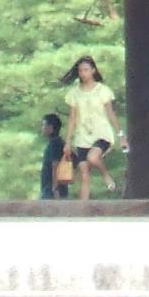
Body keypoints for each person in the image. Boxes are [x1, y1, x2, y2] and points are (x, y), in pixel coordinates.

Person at [62, 55, 119, 203]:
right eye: (80, 70)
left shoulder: (103, 90)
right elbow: (72, 118)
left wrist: (121, 134)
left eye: (86, 70)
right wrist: (68, 141)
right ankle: (83, 208)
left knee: (92, 157)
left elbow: (110, 113)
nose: (83, 73)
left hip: (101, 133)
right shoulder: (74, 93)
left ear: (93, 70)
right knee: (84, 173)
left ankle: (106, 175)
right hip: (82, 136)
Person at [38, 112, 71, 200]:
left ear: (51, 127)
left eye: (44, 125)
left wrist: (55, 188)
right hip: (53, 189)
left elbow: (55, 165)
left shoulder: (55, 143)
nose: (42, 128)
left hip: (51, 190)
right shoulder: (58, 142)